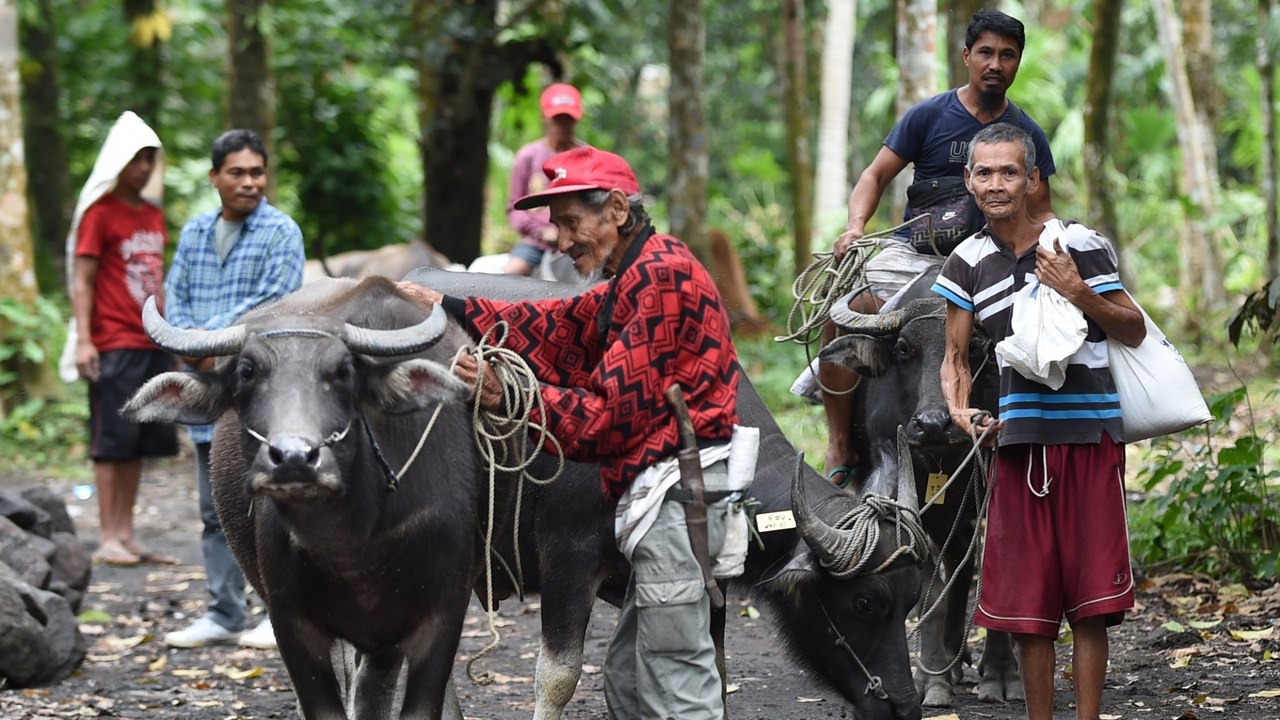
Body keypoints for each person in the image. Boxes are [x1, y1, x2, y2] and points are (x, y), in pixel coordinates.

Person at [399, 146, 755, 720]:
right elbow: (561, 325)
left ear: (616, 208)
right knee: (632, 677)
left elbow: (609, 420)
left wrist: (508, 394)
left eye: (569, 223)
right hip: (664, 499)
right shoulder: (634, 275)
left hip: (677, 501)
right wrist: (450, 303)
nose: (560, 243)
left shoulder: (661, 276)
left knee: (676, 683)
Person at [932, 123, 1145, 720]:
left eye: (1008, 172)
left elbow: (1131, 328)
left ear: (1032, 179)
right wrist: (958, 409)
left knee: (1092, 602)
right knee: (1027, 605)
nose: (996, 184)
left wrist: (1077, 289)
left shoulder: (1076, 242)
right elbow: (954, 358)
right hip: (1020, 447)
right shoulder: (967, 260)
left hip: (1088, 440)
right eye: (984, 173)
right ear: (969, 182)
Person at [817, 8, 1057, 486]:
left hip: (989, 254)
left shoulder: (1026, 133)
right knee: (841, 307)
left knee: (1047, 323)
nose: (995, 63)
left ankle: (1034, 444)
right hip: (915, 253)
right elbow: (875, 175)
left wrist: (1055, 247)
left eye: (1007, 55)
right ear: (966, 56)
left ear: (1018, 64)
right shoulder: (929, 115)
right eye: (985, 52)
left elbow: (1043, 208)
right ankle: (841, 441)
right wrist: (854, 225)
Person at [161, 129, 306, 650]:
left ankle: (280, 612)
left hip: (261, 389)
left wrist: (203, 339)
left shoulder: (281, 232)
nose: (250, 182)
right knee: (214, 506)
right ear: (214, 176)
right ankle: (223, 612)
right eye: (238, 172)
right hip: (205, 384)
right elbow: (173, 293)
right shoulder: (195, 233)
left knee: (272, 500)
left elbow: (274, 302)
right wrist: (190, 341)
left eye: (257, 172)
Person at [66, 111, 179, 566]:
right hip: (112, 340)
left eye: (150, 159)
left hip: (152, 342)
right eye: (137, 159)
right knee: (111, 442)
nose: (144, 168)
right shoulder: (100, 213)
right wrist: (84, 340)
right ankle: (107, 535)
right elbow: (83, 279)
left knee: (140, 442)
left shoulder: (153, 214)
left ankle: (128, 534)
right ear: (119, 162)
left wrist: (172, 334)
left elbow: (159, 276)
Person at [501, 82, 587, 276]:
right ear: (545, 118)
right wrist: (541, 232)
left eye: (568, 119)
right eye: (558, 119)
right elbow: (515, 208)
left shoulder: (587, 157)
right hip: (537, 244)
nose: (563, 126)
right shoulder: (528, 156)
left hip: (580, 243)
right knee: (511, 274)